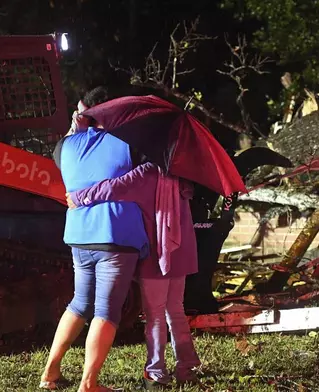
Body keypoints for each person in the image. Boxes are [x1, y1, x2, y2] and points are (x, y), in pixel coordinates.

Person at [40, 87, 149, 392]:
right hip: (115, 235)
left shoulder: (65, 147)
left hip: (78, 236)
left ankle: (50, 372)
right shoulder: (128, 143)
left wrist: (77, 127)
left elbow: (67, 157)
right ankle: (89, 384)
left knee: (79, 303)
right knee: (107, 311)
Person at [67, 161, 202, 390]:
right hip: (181, 252)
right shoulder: (183, 174)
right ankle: (186, 368)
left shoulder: (146, 172)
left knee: (155, 315)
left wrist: (78, 197)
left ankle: (156, 373)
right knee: (175, 310)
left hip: (158, 252)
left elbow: (112, 188)